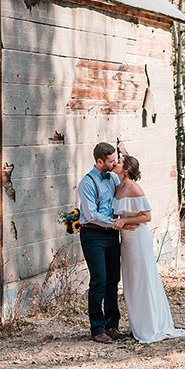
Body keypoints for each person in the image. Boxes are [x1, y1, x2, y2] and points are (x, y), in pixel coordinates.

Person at [112, 155, 185, 343]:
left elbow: (146, 216)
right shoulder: (117, 187)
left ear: (127, 169)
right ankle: (137, 324)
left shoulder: (134, 189)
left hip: (138, 239)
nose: (116, 162)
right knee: (131, 282)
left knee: (143, 279)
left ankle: (151, 326)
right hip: (126, 240)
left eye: (120, 162)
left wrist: (125, 220)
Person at [78, 142, 126, 343]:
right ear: (99, 161)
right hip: (93, 235)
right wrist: (115, 222)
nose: (114, 164)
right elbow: (90, 215)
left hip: (112, 235)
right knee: (99, 280)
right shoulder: (86, 183)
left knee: (113, 280)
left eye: (115, 160)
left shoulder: (113, 177)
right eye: (111, 161)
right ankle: (97, 328)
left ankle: (112, 325)